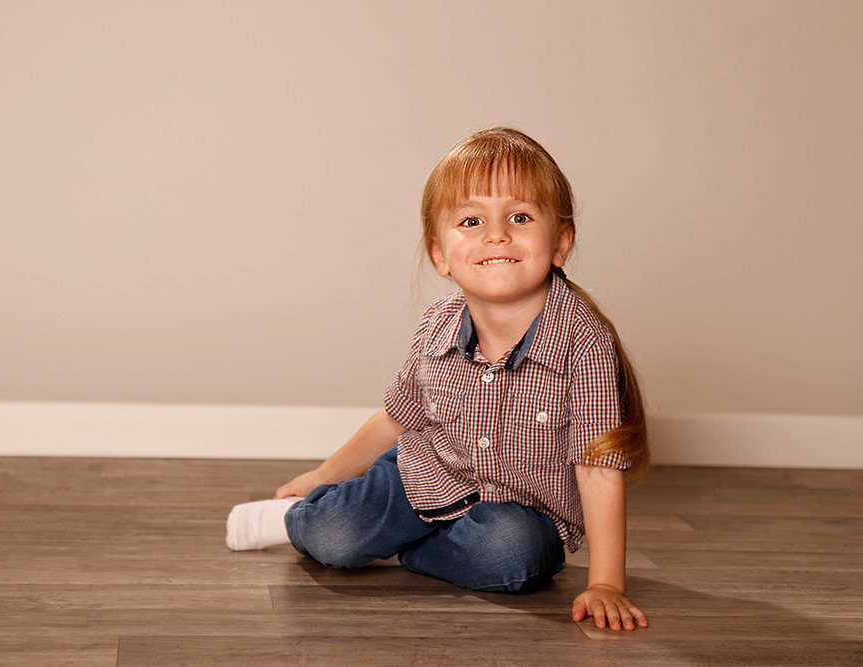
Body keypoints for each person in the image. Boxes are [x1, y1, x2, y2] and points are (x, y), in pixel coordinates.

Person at [226, 126, 651, 632]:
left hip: (516, 511)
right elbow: (396, 416)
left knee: (517, 559)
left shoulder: (584, 343)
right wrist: (322, 476)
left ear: (560, 243)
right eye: (472, 221)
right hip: (426, 474)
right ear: (439, 255)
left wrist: (607, 583)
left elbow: (598, 466)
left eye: (520, 217)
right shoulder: (437, 326)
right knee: (336, 539)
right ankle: (299, 519)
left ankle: (407, 548)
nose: (496, 234)